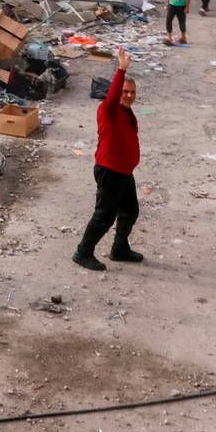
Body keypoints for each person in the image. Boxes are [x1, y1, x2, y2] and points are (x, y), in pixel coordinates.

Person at [72, 49, 143, 270]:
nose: (129, 95)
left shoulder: (126, 112)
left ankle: (119, 249)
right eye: (125, 91)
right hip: (110, 171)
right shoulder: (108, 109)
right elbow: (112, 96)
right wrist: (121, 69)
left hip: (124, 171)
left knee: (130, 211)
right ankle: (83, 252)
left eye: (132, 92)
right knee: (105, 215)